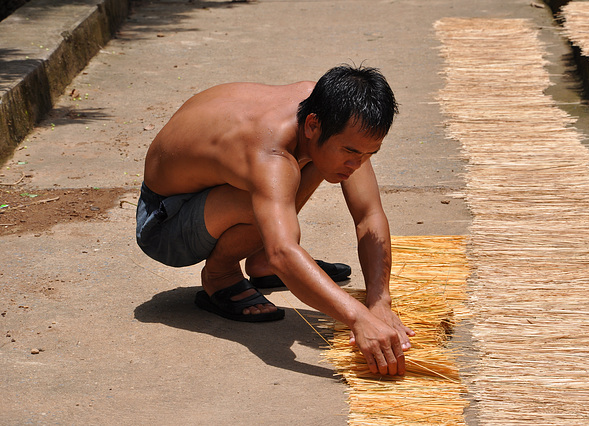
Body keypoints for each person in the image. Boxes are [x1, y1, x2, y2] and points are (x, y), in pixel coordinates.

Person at [136, 64, 415, 376]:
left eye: (368, 154)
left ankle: (259, 263)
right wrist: (359, 318)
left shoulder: (334, 113)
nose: (358, 163)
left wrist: (379, 301)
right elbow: (282, 252)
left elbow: (369, 214)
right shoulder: (271, 153)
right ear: (312, 124)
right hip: (163, 221)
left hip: (213, 187)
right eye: (351, 151)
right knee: (273, 191)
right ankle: (220, 276)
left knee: (317, 165)